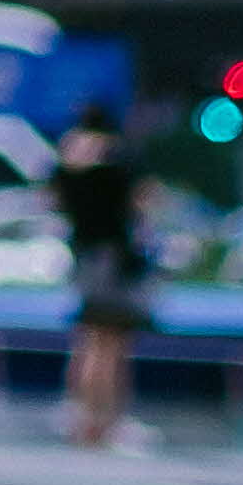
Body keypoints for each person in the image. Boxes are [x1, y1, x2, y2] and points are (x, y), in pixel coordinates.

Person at [52, 117, 155, 451]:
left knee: (89, 343)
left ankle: (85, 419)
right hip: (112, 265)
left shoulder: (71, 178)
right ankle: (105, 422)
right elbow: (141, 203)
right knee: (110, 345)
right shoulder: (116, 174)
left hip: (86, 261)